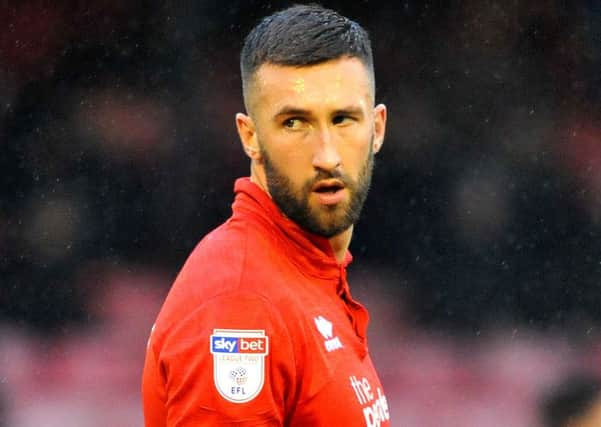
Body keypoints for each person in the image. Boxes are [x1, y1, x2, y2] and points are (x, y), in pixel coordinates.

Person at [142, 4, 390, 426]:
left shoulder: (304, 276)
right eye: (295, 123)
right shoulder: (240, 301)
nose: (327, 156)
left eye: (344, 119)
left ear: (378, 127)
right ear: (250, 136)